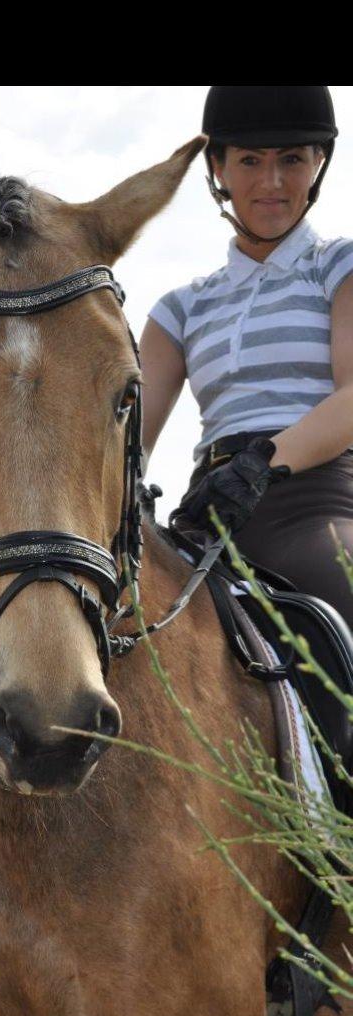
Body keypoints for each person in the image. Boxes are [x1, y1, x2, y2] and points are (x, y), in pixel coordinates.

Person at [141, 86, 353, 628]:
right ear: (219, 168)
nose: (272, 183)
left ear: (318, 163)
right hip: (206, 512)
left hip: (313, 505)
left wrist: (262, 463)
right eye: (251, 161)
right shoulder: (180, 309)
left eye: (291, 160)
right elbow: (125, 437)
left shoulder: (339, 265)